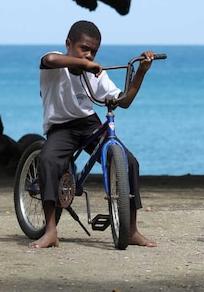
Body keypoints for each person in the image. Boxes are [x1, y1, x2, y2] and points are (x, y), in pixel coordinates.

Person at [31, 20, 158, 249]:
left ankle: (131, 230)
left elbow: (124, 101)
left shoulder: (95, 73)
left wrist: (141, 71)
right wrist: (84, 64)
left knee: (129, 162)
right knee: (49, 160)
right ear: (69, 44)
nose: (89, 55)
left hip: (88, 123)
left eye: (94, 51)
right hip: (60, 127)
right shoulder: (55, 63)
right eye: (84, 49)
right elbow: (49, 60)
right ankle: (50, 230)